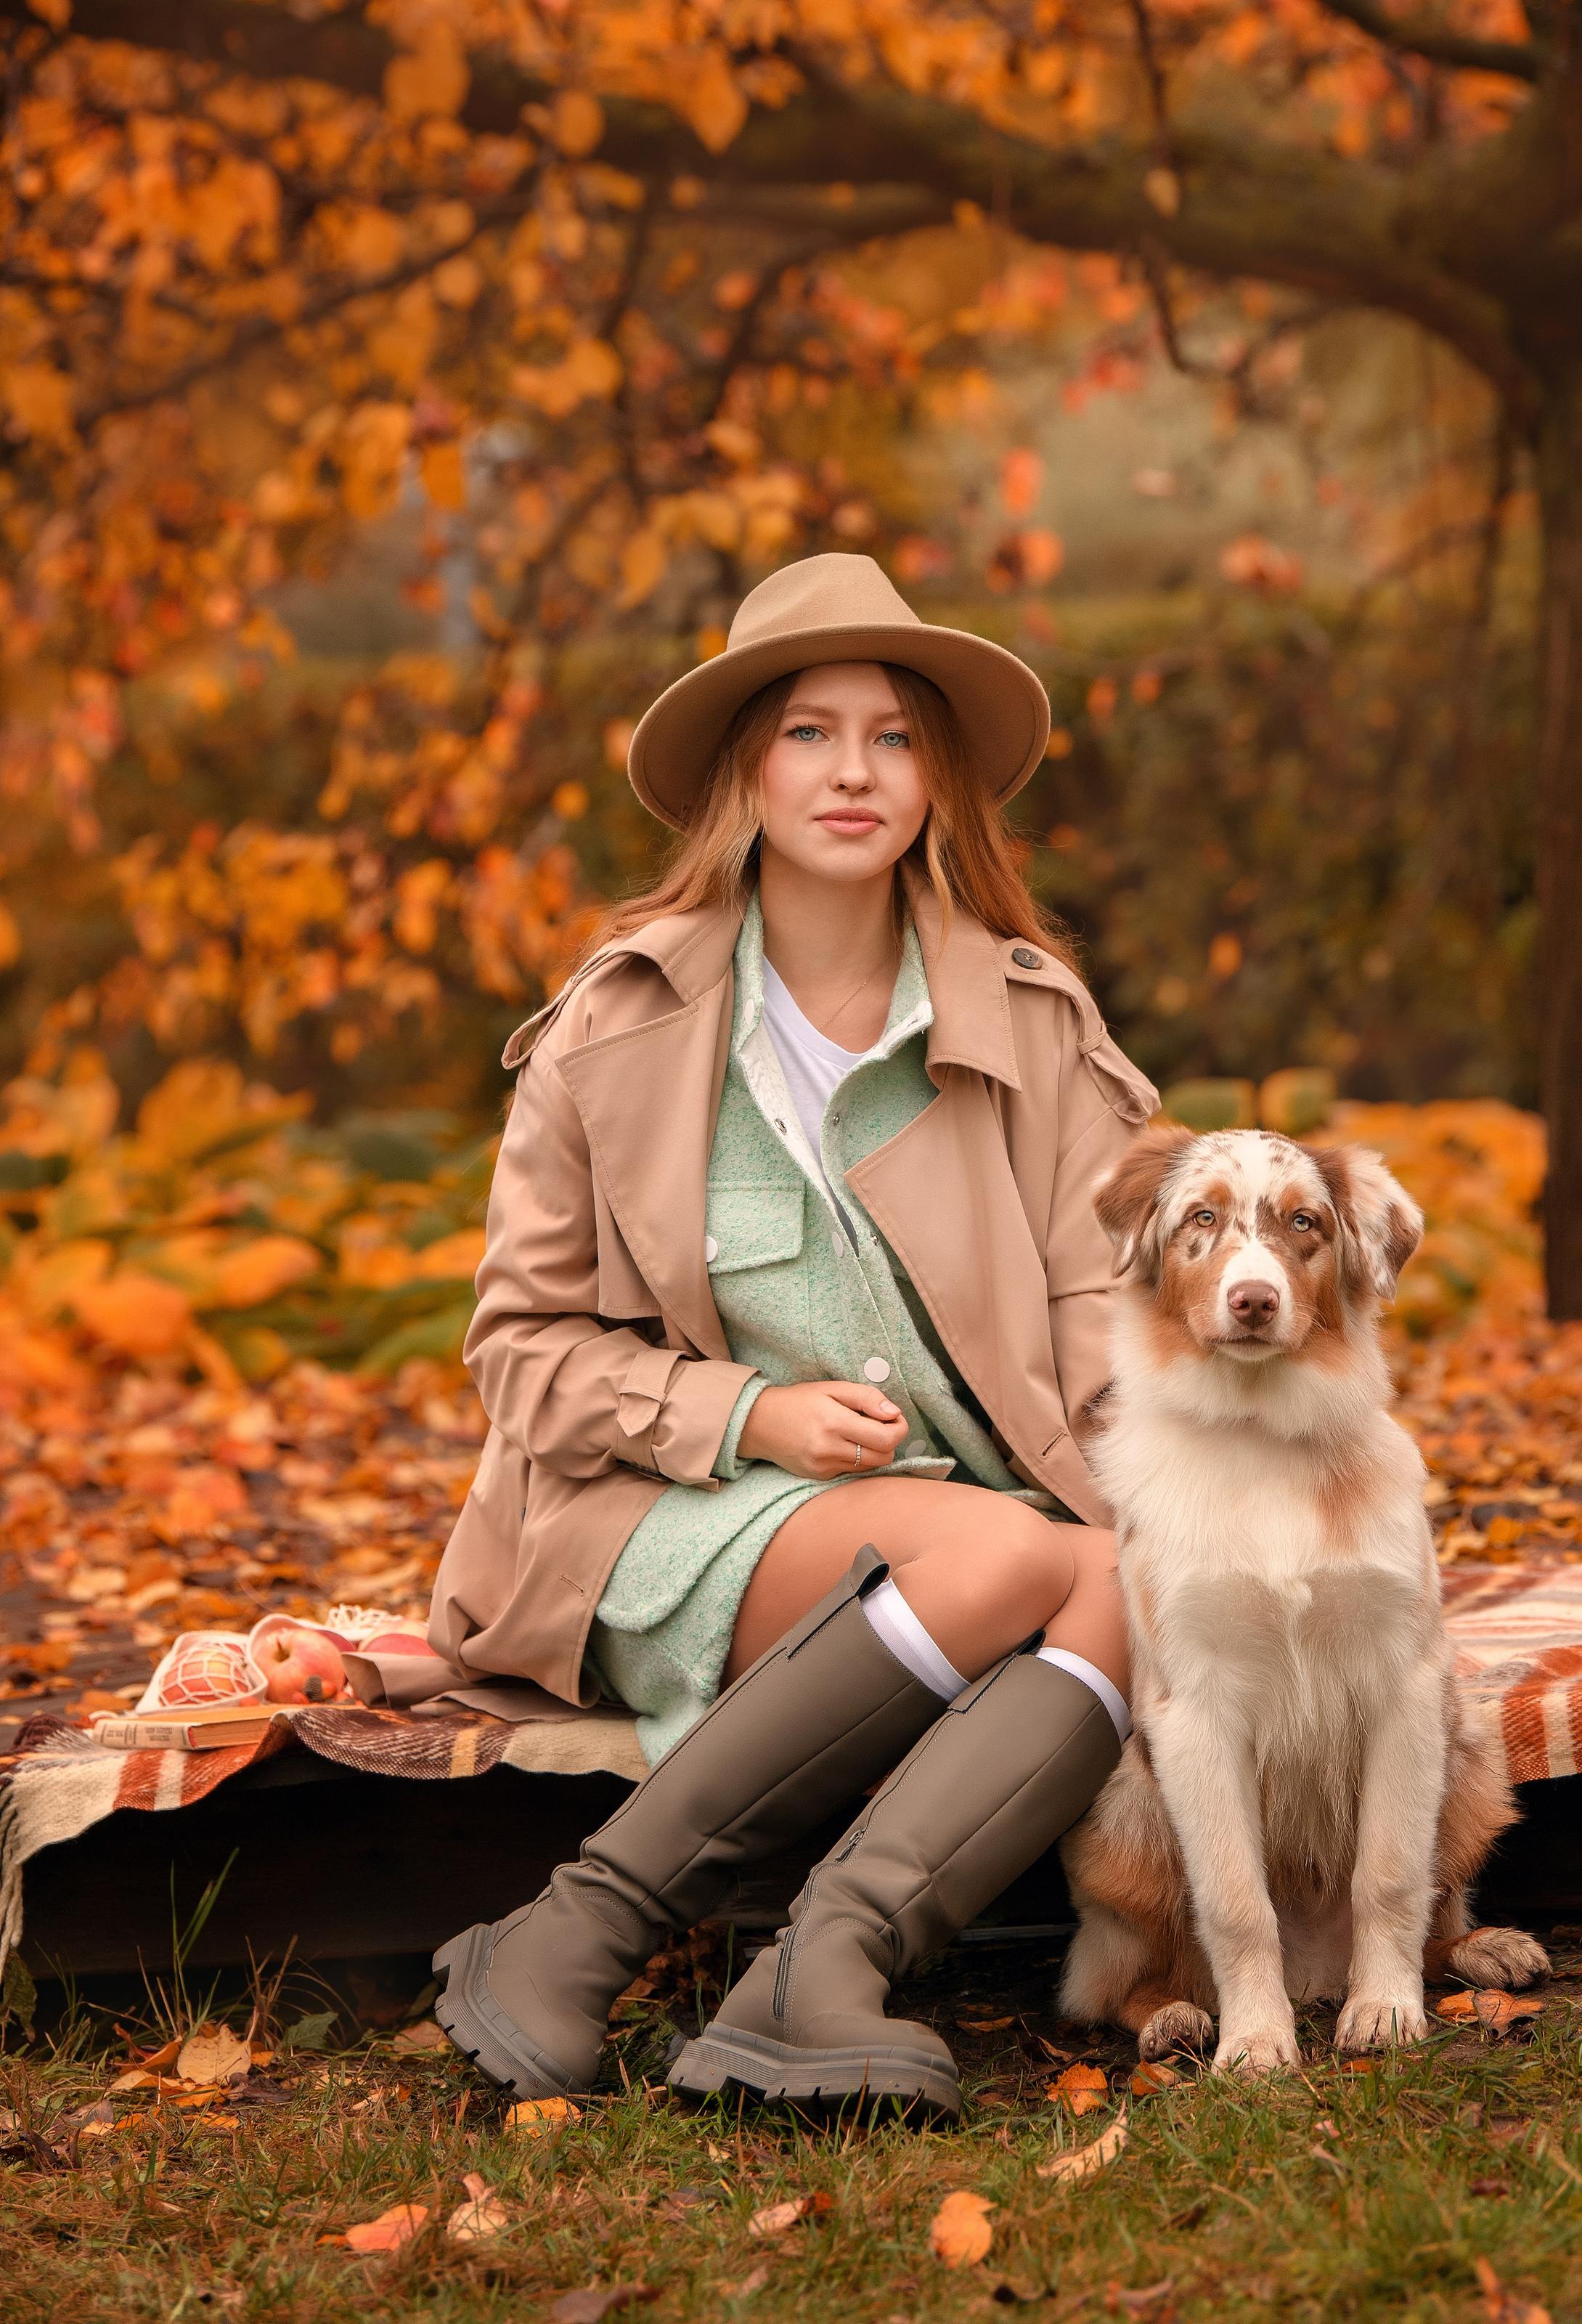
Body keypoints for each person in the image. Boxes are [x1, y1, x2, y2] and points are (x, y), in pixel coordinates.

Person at [428, 553, 1154, 2119]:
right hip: (651, 1520)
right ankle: (576, 1929)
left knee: (1109, 1570)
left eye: (892, 736)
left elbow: (1107, 1320)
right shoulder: (614, 1034)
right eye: (809, 731)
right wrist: (739, 1418)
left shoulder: (1026, 1024)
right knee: (1004, 1561)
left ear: (935, 778)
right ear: (745, 768)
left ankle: (819, 1969)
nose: (852, 772)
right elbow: (521, 1349)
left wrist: (1168, 1513)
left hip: (975, 1520)